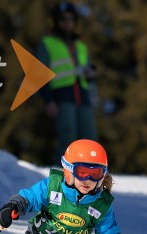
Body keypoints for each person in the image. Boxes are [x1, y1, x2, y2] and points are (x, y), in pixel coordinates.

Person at [38, 2, 98, 162]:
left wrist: (91, 77)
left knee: (89, 139)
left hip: (83, 95)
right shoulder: (48, 43)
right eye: (63, 19)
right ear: (57, 20)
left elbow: (88, 70)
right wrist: (48, 100)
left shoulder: (80, 45)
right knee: (67, 137)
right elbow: (39, 74)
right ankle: (59, 179)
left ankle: (89, 178)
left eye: (71, 19)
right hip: (62, 95)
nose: (68, 22)